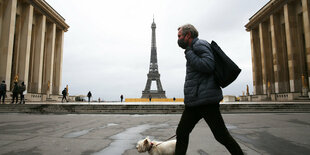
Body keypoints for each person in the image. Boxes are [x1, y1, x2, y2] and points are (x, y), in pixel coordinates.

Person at [175, 24, 243, 155]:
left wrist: (189, 53)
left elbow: (208, 65)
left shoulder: (199, 45)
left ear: (188, 35)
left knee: (221, 135)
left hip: (206, 101)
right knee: (182, 132)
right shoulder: (193, 47)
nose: (178, 39)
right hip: (195, 101)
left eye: (179, 36)